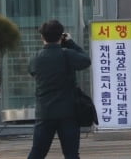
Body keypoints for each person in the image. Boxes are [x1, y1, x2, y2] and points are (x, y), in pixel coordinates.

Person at [28, 20, 91, 159]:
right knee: (71, 154)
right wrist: (70, 43)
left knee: (37, 152)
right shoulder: (67, 54)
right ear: (61, 36)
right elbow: (86, 60)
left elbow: (32, 72)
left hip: (44, 113)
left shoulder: (35, 58)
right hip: (68, 113)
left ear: (42, 37)